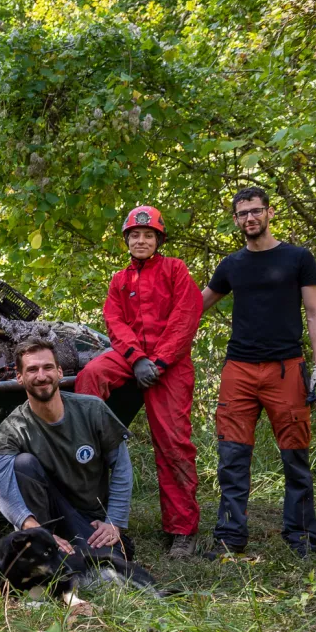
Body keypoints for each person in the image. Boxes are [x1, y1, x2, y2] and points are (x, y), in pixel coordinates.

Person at [201, 186, 316, 559]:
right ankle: (229, 537)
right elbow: (196, 306)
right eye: (242, 214)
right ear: (236, 220)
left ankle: (301, 537)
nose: (250, 219)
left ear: (269, 213)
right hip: (238, 370)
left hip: (286, 370)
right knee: (232, 457)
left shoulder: (297, 258)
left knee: (295, 456)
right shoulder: (231, 265)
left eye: (256, 211)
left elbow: (315, 312)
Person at [74, 206, 203, 558]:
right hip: (133, 358)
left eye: (148, 235)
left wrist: (158, 361)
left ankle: (183, 530)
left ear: (158, 239)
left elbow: (185, 318)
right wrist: (137, 358)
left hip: (170, 365)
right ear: (127, 240)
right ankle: (88, 448)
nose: (141, 240)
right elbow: (114, 322)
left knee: (174, 444)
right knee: (90, 375)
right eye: (135, 235)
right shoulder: (120, 280)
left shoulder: (175, 270)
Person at [0, 338, 137, 559]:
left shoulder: (92, 410)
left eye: (47, 367)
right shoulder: (12, 428)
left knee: (109, 560)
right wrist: (32, 527)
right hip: (45, 519)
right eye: (32, 369)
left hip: (90, 516)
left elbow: (122, 468)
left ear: (59, 372)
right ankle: (43, 544)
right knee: (22, 464)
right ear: (19, 377)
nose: (41, 376)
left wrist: (113, 522)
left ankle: (81, 548)